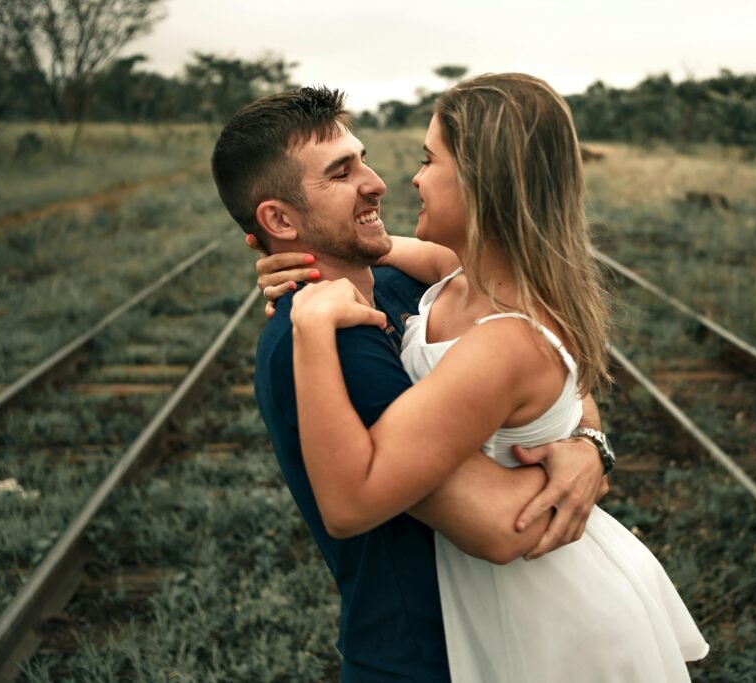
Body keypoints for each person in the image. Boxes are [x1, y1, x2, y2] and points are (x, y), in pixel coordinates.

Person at [279, 74, 709, 682]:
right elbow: (386, 247)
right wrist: (302, 253)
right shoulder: (465, 271)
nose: (412, 179)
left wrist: (312, 327)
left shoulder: (504, 343)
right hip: (507, 604)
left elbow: (350, 505)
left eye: (429, 160)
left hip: (553, 618)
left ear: (482, 182)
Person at [211, 86, 611, 682]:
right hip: (425, 658)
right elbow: (508, 523)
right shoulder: (336, 345)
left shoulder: (406, 294)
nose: (378, 182)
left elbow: (544, 368)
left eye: (364, 159)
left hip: (499, 641)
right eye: (342, 173)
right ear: (279, 219)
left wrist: (587, 447)